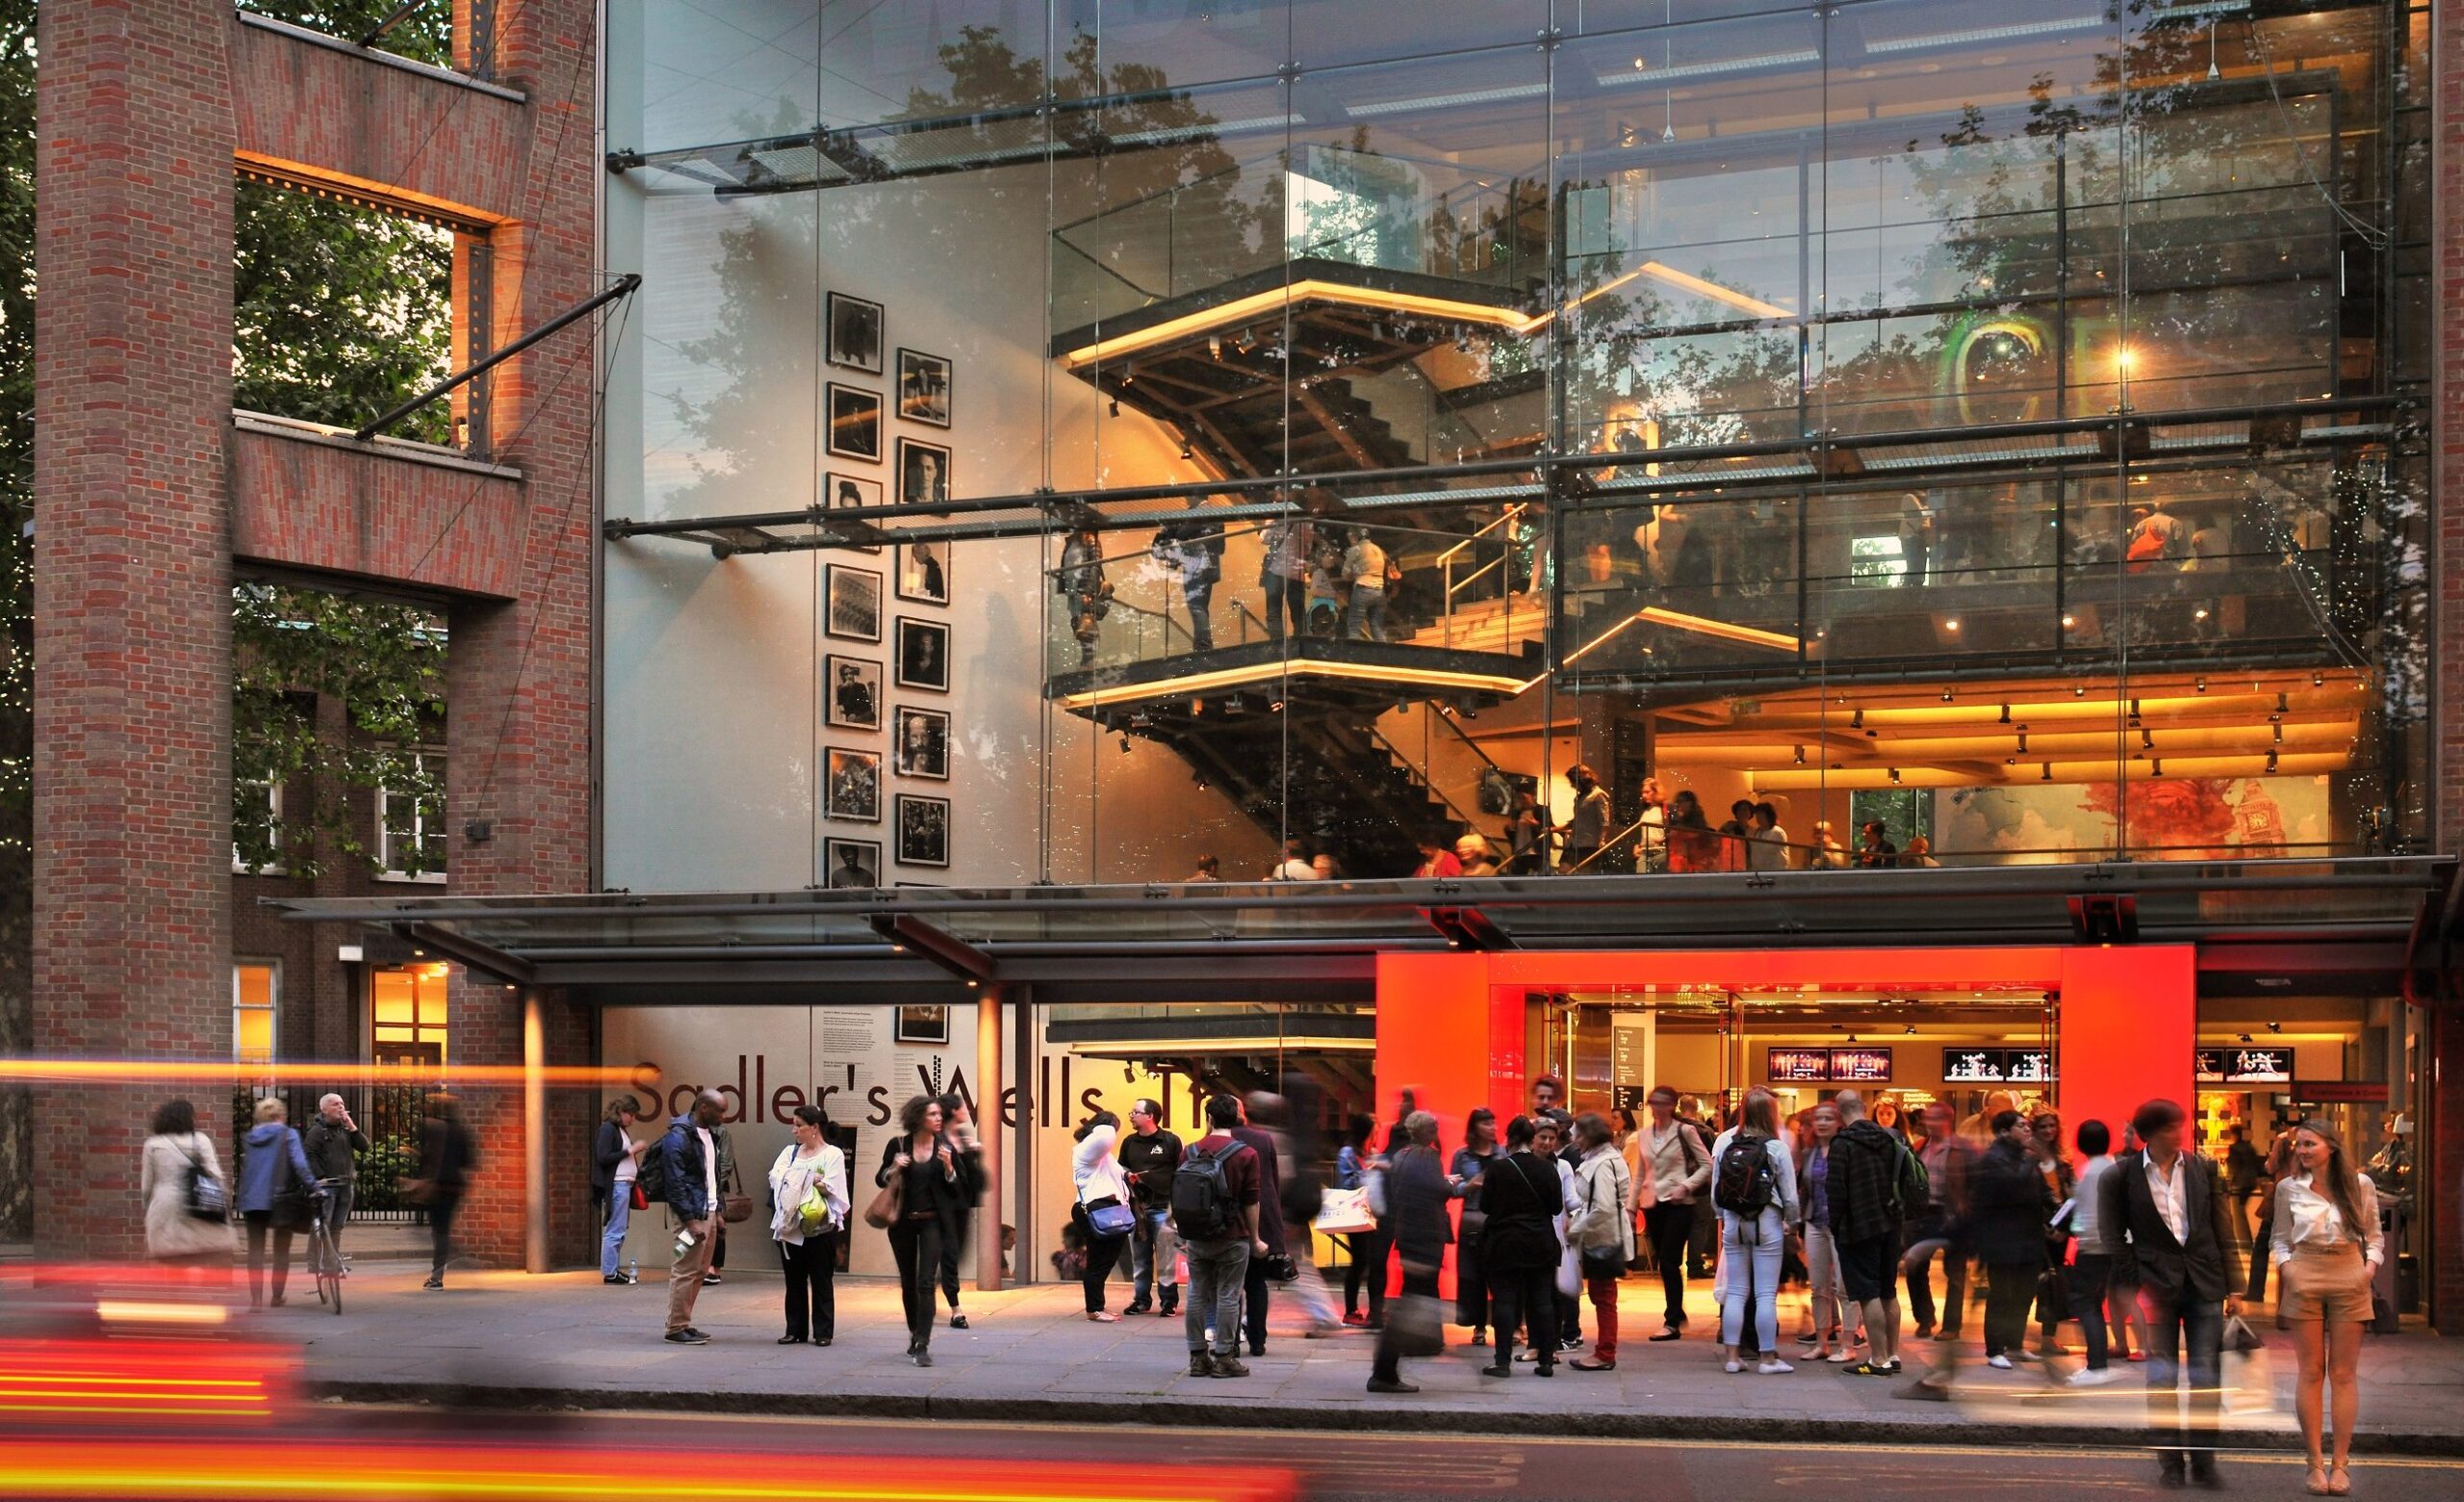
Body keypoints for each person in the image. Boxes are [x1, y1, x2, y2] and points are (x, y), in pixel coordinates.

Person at [2100, 1097, 2245, 1489]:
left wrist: (2235, 1287)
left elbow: (2222, 1226)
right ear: (2149, 1134)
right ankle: (2170, 1464)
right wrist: (2136, 1277)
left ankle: (2203, 1462)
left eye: (2180, 1126)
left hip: (2204, 1283)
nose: (2179, 1133)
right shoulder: (2120, 1175)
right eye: (2169, 1128)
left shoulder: (2203, 1168)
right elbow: (2112, 1235)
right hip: (2157, 1286)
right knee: (2162, 1379)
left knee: (2206, 1376)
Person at [2272, 1119, 2381, 1496]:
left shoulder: (2361, 1184)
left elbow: (2375, 1237)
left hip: (2349, 1271)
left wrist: (2366, 1273)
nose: (2301, 1151)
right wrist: (2290, 1272)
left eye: (2309, 1144)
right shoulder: (2288, 1188)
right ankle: (2314, 1464)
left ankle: (2341, 1465)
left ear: (2330, 1147)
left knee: (2344, 1373)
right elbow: (2280, 1240)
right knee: (2311, 1371)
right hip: (2306, 1271)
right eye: (2298, 1145)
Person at [1827, 1090, 1917, 1379]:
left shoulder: (1843, 1144)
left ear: (1840, 1114)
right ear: (1865, 1108)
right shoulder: (1892, 1138)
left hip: (1859, 1226)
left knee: (1868, 1293)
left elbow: (1836, 1191)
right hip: (1892, 1223)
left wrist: (1836, 1225)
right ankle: (1893, 1354)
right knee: (1889, 1291)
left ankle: (1877, 1359)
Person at [1711, 1086, 1800, 1374]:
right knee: (1765, 1293)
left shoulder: (1726, 1142)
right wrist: (1792, 1223)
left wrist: (1722, 1217)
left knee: (1736, 1291)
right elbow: (1789, 1196)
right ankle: (1767, 1358)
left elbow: (1716, 1193)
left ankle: (1733, 1358)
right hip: (1767, 1223)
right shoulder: (1776, 1147)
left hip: (1734, 1223)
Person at [1176, 1093, 1263, 1379]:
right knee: (1228, 1295)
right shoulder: (1247, 1154)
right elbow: (1251, 1201)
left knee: (1196, 1294)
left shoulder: (1188, 1151)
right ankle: (1225, 1357)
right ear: (1237, 1118)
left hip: (1197, 1236)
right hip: (1232, 1236)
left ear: (1208, 1118)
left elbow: (1180, 1195)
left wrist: (1182, 1231)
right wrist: (1256, 1238)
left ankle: (1197, 1358)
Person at [876, 1095, 967, 1365]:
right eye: (933, 1115)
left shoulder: (945, 1146)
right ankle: (914, 1332)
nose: (939, 1118)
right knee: (908, 1281)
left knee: (926, 1282)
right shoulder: (898, 1144)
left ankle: (923, 1344)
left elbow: (960, 1189)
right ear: (917, 1118)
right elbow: (880, 1178)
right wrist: (894, 1168)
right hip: (902, 1222)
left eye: (940, 1114)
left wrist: (949, 1167)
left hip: (933, 1223)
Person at [1370, 1109, 1450, 1394]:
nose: (1437, 1131)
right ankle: (1383, 1371)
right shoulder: (1426, 1157)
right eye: (1435, 1127)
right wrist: (1461, 1186)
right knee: (1407, 1305)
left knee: (1410, 1301)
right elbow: (1433, 1192)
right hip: (1422, 1240)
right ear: (1427, 1131)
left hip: (1408, 1236)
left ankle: (1389, 1368)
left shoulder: (1402, 1155)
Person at [1477, 1115, 1564, 1378]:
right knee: (1542, 1301)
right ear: (1531, 1138)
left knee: (1504, 1301)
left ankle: (1502, 1361)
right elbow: (1556, 1207)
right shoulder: (1547, 1168)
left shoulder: (1498, 1169)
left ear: (1510, 1138)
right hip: (1540, 1242)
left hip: (1506, 1243)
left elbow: (1485, 1206)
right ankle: (1546, 1361)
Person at [1970, 1110, 2055, 1371]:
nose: (2028, 1130)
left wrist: (2057, 1207)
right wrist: (2035, 1160)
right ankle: (1995, 1348)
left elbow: (2043, 1191)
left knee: (2024, 1293)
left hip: (2029, 1237)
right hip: (2002, 1239)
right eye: (2021, 1126)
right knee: (2002, 1295)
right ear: (2004, 1132)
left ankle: (2015, 1344)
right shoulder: (1993, 1159)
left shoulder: (2026, 1158)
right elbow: (2013, 1186)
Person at [767, 1104, 848, 1346]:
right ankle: (795, 1329)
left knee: (822, 1278)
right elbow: (774, 1177)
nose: (794, 1130)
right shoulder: (789, 1152)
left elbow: (832, 1187)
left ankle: (823, 1331)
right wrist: (809, 1178)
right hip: (790, 1223)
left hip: (820, 1223)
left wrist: (797, 1179)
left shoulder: (833, 1154)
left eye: (799, 1125)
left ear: (814, 1128)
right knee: (794, 1280)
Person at [1634, 1085, 1711, 1339]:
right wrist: (1630, 1207)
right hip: (1653, 1203)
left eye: (1663, 1102)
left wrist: (1686, 1186)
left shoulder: (1685, 1131)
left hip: (1679, 1203)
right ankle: (1677, 1311)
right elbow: (1641, 1174)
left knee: (1670, 1260)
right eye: (1653, 1102)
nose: (1658, 1107)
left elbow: (1707, 1165)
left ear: (1673, 1105)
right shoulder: (1644, 1135)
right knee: (1663, 1263)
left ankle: (1671, 1321)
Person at [236, 1097, 319, 1309]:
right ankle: (277, 1296)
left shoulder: (251, 1137)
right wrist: (314, 1186)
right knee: (281, 1250)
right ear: (278, 1116)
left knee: (255, 1251)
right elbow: (299, 1164)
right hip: (281, 1198)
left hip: (252, 1198)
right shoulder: (288, 1134)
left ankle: (255, 1300)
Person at [1566, 1112, 1634, 1372]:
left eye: (1578, 1134)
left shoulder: (1603, 1163)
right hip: (1606, 1235)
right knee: (1603, 1295)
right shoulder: (1607, 1158)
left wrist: (1576, 1227)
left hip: (1602, 1237)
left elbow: (1603, 1207)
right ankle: (1604, 1351)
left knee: (1604, 1297)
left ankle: (1605, 1352)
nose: (1575, 1140)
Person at [656, 1088, 726, 1344]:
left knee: (698, 1271)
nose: (724, 1116)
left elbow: (712, 1178)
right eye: (720, 1110)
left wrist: (717, 1211)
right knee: (685, 1269)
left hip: (707, 1212)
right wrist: (689, 1221)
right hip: (691, 1216)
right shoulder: (678, 1137)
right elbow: (674, 1184)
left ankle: (683, 1322)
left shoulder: (710, 1136)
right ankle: (675, 1327)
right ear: (704, 1108)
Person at [1901, 1101, 1974, 1341]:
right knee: (1915, 1266)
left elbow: (1974, 1184)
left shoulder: (1963, 1149)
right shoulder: (1921, 1146)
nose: (1928, 1123)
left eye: (1934, 1118)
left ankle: (1951, 1326)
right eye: (1927, 1119)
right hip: (1923, 1213)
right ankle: (1925, 1317)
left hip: (1953, 1214)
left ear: (1947, 1120)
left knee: (1955, 1272)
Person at [1796, 1101, 1861, 1363]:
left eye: (1828, 1118)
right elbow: (1804, 1190)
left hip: (1842, 1225)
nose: (1822, 1123)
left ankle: (1848, 1344)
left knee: (1846, 1287)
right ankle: (1822, 1342)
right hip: (1815, 1223)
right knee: (1819, 1286)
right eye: (1818, 1119)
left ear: (1840, 1123)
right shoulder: (1810, 1152)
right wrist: (1798, 1223)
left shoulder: (1847, 1150)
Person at [2065, 1119, 2125, 1387]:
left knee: (2086, 1305)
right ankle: (2098, 1363)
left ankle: (2096, 1364)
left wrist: (2078, 1236)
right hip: (2112, 1245)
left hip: (2093, 1247)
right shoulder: (2113, 1167)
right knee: (2095, 1304)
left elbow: (2087, 1213)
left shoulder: (2089, 1172)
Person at [141, 1099, 234, 1265]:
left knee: (170, 1260)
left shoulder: (152, 1144)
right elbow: (215, 1174)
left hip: (165, 1204)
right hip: (198, 1203)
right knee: (200, 1255)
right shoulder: (200, 1140)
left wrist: (148, 1207)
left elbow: (146, 1186)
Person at [1230, 1096, 1287, 1357]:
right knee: (1256, 1283)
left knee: (1229, 1286)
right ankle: (1258, 1341)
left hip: (1228, 1222)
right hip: (1261, 1220)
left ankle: (1229, 1340)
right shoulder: (1263, 1139)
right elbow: (1272, 1185)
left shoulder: (1213, 1142)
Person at [1119, 1098, 1183, 1317]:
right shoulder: (1129, 1142)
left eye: (1136, 1112)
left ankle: (1168, 1302)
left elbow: (1181, 1172)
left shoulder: (1170, 1141)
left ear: (1150, 1116)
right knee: (1140, 1258)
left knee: (1166, 1257)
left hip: (1164, 1207)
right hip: (1137, 1209)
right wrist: (1127, 1175)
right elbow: (1122, 1167)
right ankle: (1141, 1300)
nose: (1131, 1116)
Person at [1071, 1109, 1134, 1322]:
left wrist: (1127, 1175)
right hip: (1095, 1209)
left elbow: (1115, 1171)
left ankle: (1098, 1306)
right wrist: (1107, 1124)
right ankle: (1095, 1309)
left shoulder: (1101, 1153)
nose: (1115, 1135)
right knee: (1099, 1261)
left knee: (1105, 1259)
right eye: (1116, 1128)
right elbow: (1106, 1134)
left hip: (1106, 1209)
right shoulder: (1087, 1148)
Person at [2027, 1110, 2078, 1358]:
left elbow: (2071, 1196)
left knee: (2053, 1284)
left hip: (2059, 1229)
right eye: (2043, 1127)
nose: (2048, 1131)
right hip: (2033, 1230)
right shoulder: (2026, 1158)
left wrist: (2066, 1229)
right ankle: (2012, 1337)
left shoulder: (2062, 1159)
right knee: (2028, 1283)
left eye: (2052, 1126)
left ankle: (2048, 1338)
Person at [1450, 1108, 1500, 1346]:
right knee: (1474, 1276)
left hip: (1497, 1218)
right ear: (1475, 1127)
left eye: (1493, 1122)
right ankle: (1479, 1326)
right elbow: (1452, 1189)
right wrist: (1470, 1186)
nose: (1492, 1127)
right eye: (1486, 1123)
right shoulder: (1462, 1155)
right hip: (1471, 1218)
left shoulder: (1502, 1154)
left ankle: (1507, 1325)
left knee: (1499, 1275)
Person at [416, 1091, 475, 1292]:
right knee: (443, 1228)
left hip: (437, 1185)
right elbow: (469, 1161)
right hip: (455, 1185)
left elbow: (427, 1158)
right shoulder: (462, 1130)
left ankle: (437, 1276)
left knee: (438, 1230)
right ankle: (450, 1253)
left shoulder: (432, 1128)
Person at [1336, 1114, 1388, 1329]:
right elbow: (1345, 1183)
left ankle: (1364, 1310)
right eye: (1374, 1130)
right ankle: (1350, 1310)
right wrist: (1368, 1170)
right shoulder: (1348, 1153)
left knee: (1367, 1261)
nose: (1376, 1135)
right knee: (1359, 1261)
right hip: (1356, 1215)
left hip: (1371, 1214)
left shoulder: (1369, 1153)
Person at [938, 1093, 986, 1330]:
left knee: (956, 1255)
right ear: (953, 1111)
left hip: (963, 1206)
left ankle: (927, 1284)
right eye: (961, 1107)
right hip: (944, 1208)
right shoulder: (939, 1139)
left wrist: (974, 1154)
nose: (966, 1109)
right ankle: (956, 1309)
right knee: (950, 1256)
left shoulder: (962, 1138)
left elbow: (970, 1175)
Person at [1152, 505, 1224, 651]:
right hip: (1208, 568)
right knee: (1201, 607)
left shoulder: (1193, 516)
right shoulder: (1216, 515)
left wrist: (1172, 532)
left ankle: (1203, 647)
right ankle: (1204, 645)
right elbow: (1221, 548)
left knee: (1197, 606)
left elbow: (1159, 548)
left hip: (1196, 567)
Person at [593, 1095, 648, 1283]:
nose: (632, 1118)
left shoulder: (619, 1129)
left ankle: (612, 1268)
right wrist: (630, 1151)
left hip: (625, 1184)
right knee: (615, 1229)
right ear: (621, 1112)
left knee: (619, 1228)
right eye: (631, 1114)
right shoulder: (608, 1129)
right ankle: (610, 1271)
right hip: (617, 1184)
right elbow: (603, 1156)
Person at [303, 1093, 367, 1254]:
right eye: (335, 1104)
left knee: (337, 1226)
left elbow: (364, 1147)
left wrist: (352, 1127)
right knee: (323, 1225)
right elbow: (310, 1155)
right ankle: (315, 1260)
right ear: (324, 1109)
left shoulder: (345, 1130)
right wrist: (321, 1178)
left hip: (346, 1184)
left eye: (342, 1104)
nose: (341, 1107)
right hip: (328, 1185)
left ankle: (332, 1262)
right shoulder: (316, 1131)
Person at [1056, 526, 1109, 665]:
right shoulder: (1071, 542)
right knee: (1076, 623)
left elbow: (1095, 566)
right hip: (1072, 589)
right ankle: (1086, 659)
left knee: (1086, 623)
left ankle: (1089, 660)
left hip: (1084, 588)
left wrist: (1089, 591)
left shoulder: (1091, 540)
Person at [1259, 513, 1313, 639]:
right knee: (1298, 614)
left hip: (1276, 570)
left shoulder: (1277, 514)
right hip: (1296, 572)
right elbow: (1307, 549)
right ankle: (1300, 646)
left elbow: (1263, 539)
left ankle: (1279, 649)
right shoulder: (1305, 518)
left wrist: (1270, 518)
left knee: (1274, 613)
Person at [1556, 764, 1611, 873]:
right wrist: (1554, 829)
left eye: (1572, 782)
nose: (1572, 785)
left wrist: (1602, 839)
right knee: (1564, 871)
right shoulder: (1580, 797)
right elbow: (1576, 821)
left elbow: (1604, 820)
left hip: (1589, 844)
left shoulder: (1598, 794)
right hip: (1575, 842)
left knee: (1582, 873)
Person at [1343, 528, 1391, 641]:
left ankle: (1354, 656)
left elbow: (1345, 574)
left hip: (1363, 589)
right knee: (1377, 628)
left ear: (1357, 537)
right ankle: (1384, 655)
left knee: (1354, 628)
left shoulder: (1355, 549)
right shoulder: (1378, 549)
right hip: (1379, 591)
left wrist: (1354, 575)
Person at [2224, 1125, 2265, 1247]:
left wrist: (2229, 1182)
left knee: (2238, 1214)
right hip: (2249, 1183)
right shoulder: (2250, 1147)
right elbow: (2257, 1166)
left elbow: (2233, 1167)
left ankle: (2244, 1244)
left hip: (2239, 1184)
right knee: (2241, 1213)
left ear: (2235, 1134)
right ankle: (2246, 1243)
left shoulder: (2234, 1148)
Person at [1503, 789, 1551, 875]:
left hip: (1536, 852)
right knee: (1516, 876)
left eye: (1524, 798)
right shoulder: (1517, 812)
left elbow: (1548, 828)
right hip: (1520, 851)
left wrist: (1535, 824)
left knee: (1540, 876)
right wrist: (1509, 829)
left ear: (1532, 796)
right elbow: (1512, 834)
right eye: (1520, 798)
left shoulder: (1541, 809)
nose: (1522, 801)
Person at [1746, 801, 1791, 871]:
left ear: (1768, 815)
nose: (1758, 817)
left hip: (1774, 871)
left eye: (1761, 814)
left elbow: (1781, 856)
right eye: (1757, 815)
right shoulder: (1756, 833)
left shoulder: (1777, 832)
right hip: (1758, 871)